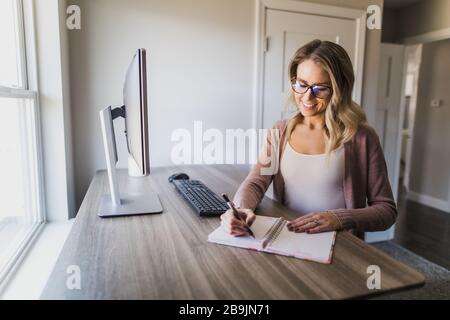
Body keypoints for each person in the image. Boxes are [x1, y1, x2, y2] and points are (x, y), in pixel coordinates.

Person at [221, 39, 397, 240]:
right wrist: (241, 209)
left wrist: (339, 218)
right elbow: (255, 182)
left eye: (320, 88)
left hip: (341, 247)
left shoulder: (363, 138)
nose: (307, 97)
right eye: (301, 84)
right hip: (287, 239)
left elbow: (386, 211)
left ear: (340, 88)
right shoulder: (280, 131)